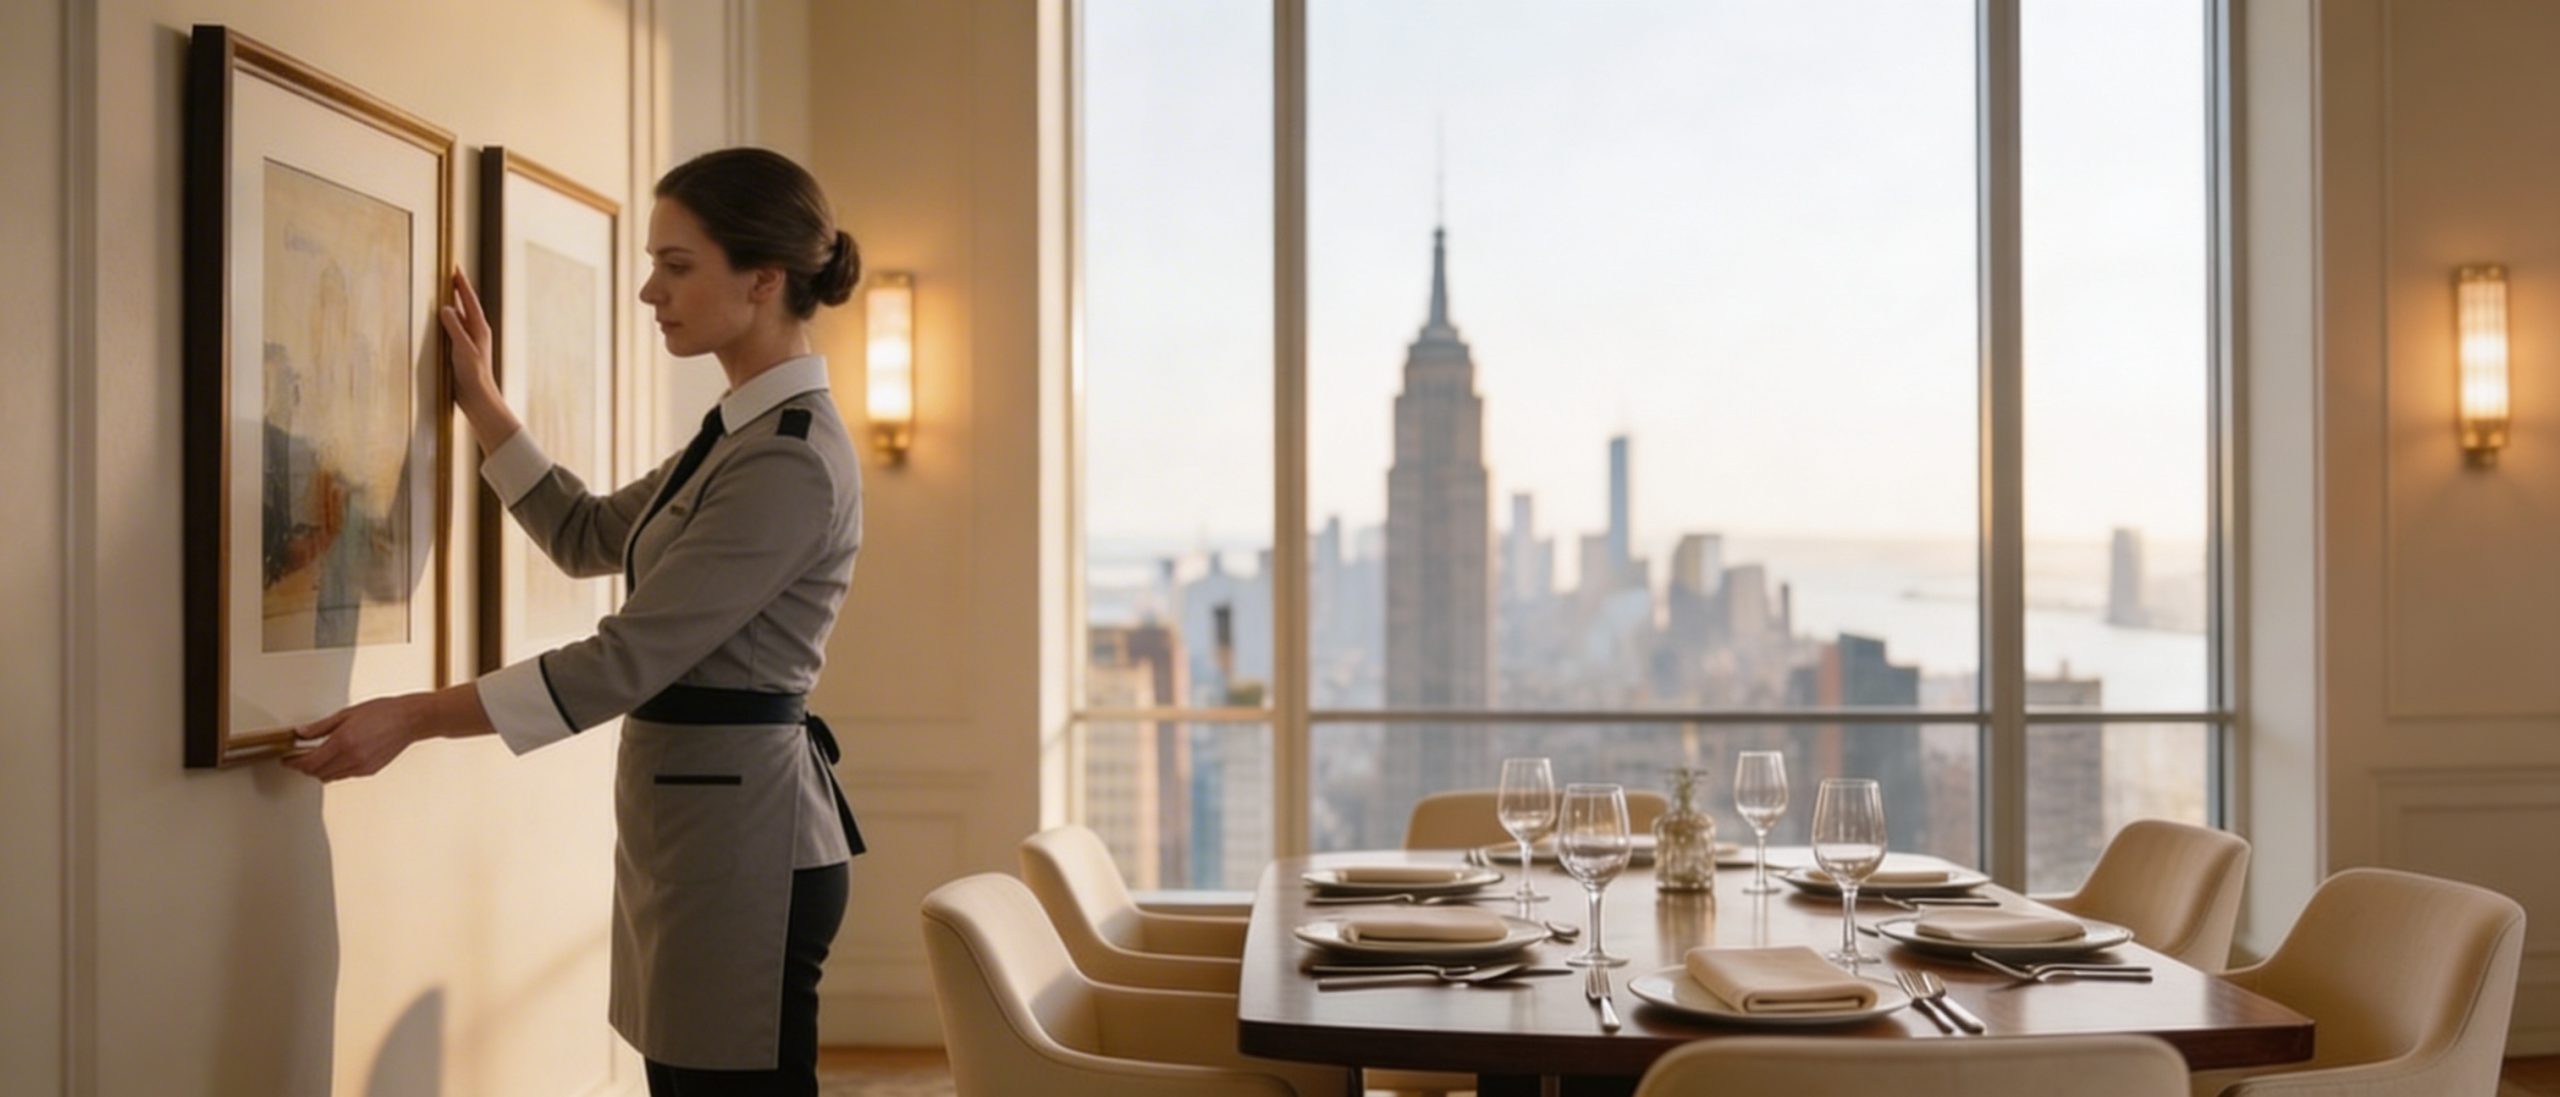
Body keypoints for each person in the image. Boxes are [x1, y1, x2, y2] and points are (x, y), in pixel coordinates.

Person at [285, 146, 869, 1097]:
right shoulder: (742, 433)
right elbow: (587, 531)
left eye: (677, 266)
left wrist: (411, 717)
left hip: (744, 846)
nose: (650, 291)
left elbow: (625, 658)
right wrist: (482, 401)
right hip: (699, 828)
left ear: (763, 280)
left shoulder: (789, 460)